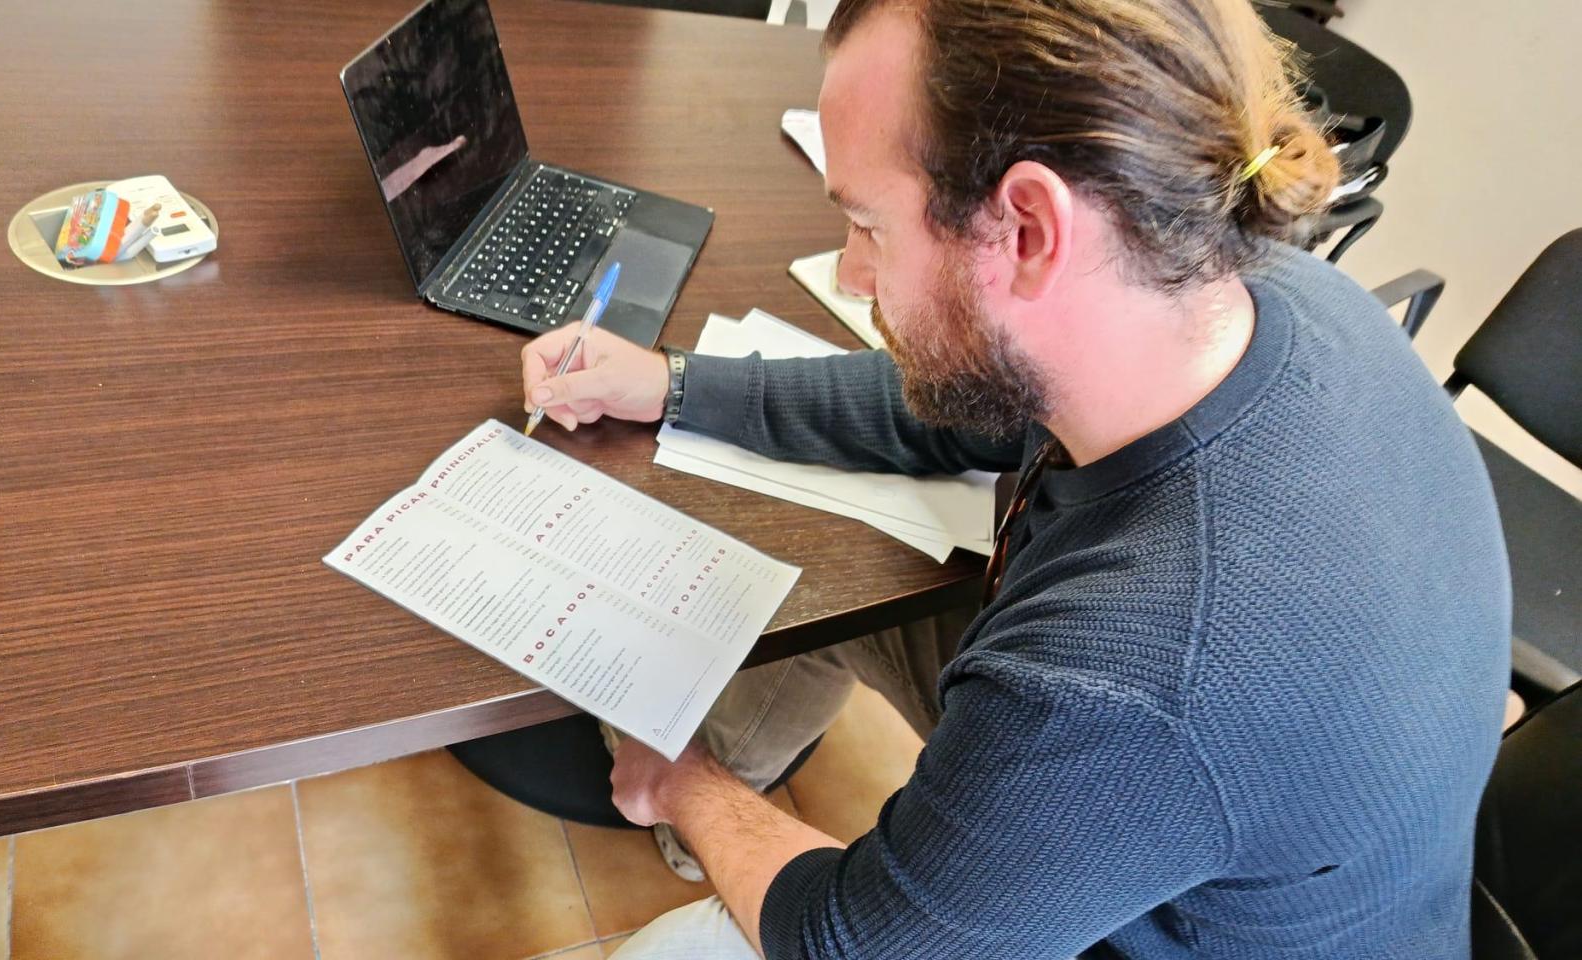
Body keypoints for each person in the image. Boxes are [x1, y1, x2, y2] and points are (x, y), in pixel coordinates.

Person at [517, 0, 1510, 956]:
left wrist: (680, 780)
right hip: (1233, 818)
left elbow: (852, 943)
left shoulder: (1122, 679)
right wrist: (671, 385)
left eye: (867, 226)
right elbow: (953, 392)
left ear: (1028, 228)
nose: (853, 274)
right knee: (824, 570)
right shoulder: (1268, 295)